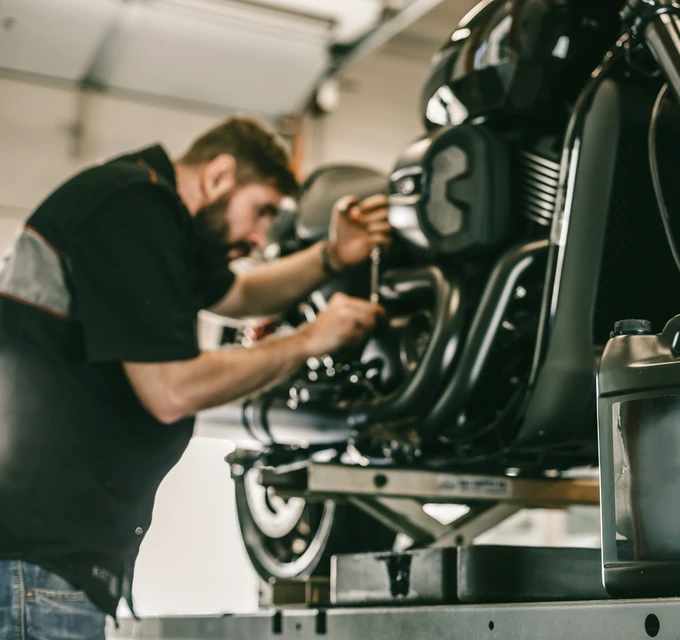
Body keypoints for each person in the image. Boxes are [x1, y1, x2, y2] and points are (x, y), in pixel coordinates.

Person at [0, 117, 391, 638]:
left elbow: (241, 297)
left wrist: (328, 257)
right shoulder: (132, 206)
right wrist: (309, 340)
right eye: (262, 211)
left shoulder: (150, 220)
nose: (259, 238)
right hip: (38, 562)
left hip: (49, 562)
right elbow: (171, 391)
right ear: (219, 176)